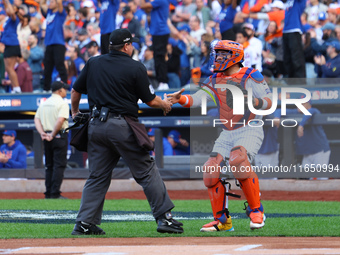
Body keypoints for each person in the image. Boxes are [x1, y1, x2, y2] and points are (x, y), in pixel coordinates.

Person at [70, 29, 183, 235]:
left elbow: (75, 90)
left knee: (97, 176)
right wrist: (165, 104)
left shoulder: (93, 63)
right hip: (121, 125)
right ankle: (164, 218)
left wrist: (75, 112)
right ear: (127, 46)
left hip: (95, 126)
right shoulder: (135, 66)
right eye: (132, 44)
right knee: (146, 170)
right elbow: (150, 100)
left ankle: (84, 223)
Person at [168, 40, 272, 231]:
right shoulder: (215, 78)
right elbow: (198, 99)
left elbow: (269, 101)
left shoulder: (251, 75)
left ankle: (257, 210)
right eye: (217, 54)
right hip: (227, 131)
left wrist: (254, 100)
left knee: (238, 160)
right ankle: (222, 221)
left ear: (235, 56)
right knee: (210, 170)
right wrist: (180, 99)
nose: (218, 58)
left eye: (223, 54)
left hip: (250, 127)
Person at [34, 81, 70, 199]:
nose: (66, 91)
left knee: (49, 165)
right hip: (58, 136)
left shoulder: (44, 103)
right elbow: (60, 121)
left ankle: (48, 193)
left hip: (47, 137)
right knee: (58, 165)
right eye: (64, 89)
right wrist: (53, 134)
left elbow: (36, 119)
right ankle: (55, 193)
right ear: (60, 90)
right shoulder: (62, 103)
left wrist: (42, 134)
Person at [141, 0, 170, 90]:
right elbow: (147, 10)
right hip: (157, 32)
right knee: (157, 57)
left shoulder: (160, 0)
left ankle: (163, 81)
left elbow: (143, 6)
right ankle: (160, 81)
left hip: (160, 32)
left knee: (160, 56)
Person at [41, 0, 68, 92]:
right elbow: (42, 4)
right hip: (48, 43)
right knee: (47, 67)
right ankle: (46, 88)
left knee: (60, 65)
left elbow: (60, 3)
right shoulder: (49, 12)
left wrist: (58, 2)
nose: (50, 4)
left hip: (58, 43)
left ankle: (64, 87)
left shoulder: (60, 13)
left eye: (52, 2)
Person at [1, 0, 23, 93]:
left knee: (10, 68)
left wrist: (8, 2)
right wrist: (5, 3)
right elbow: (7, 9)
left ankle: (17, 88)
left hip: (13, 45)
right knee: (8, 69)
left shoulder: (14, 19)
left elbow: (11, 12)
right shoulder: (8, 19)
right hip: (7, 45)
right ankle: (14, 88)